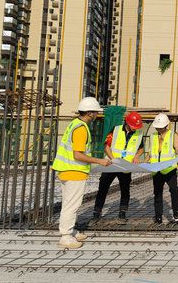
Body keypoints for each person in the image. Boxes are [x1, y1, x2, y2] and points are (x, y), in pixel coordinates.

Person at [52, 97, 112, 249]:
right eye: (96, 112)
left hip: (67, 170)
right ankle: (66, 236)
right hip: (74, 172)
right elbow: (77, 155)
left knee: (69, 203)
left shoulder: (75, 124)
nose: (97, 115)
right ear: (90, 113)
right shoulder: (81, 129)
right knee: (72, 205)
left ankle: (71, 232)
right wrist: (100, 161)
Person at [92, 111, 144, 222]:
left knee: (125, 190)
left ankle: (122, 214)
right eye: (133, 126)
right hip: (111, 164)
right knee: (103, 188)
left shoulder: (139, 133)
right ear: (127, 122)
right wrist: (112, 159)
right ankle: (97, 213)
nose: (135, 128)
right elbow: (106, 145)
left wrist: (137, 156)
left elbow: (141, 148)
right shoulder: (115, 130)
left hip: (125, 166)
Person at [145, 113, 178, 224]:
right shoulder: (153, 136)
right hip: (156, 169)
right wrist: (144, 162)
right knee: (157, 193)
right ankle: (158, 216)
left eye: (160, 126)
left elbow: (177, 148)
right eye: (157, 126)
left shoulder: (173, 135)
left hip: (169, 169)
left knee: (173, 190)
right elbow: (150, 152)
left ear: (166, 125)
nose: (158, 128)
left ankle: (176, 213)